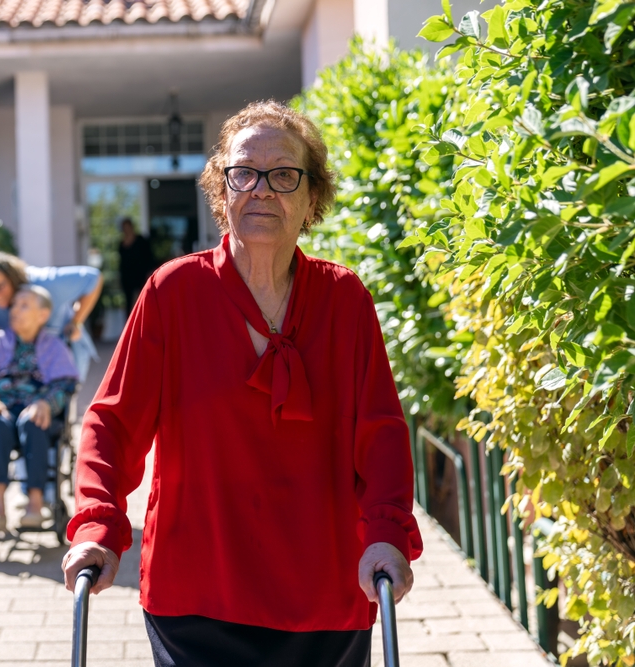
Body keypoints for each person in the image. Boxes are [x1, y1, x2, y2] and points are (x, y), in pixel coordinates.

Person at [60, 101, 422, 667]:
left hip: (324, 594)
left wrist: (387, 533)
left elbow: (381, 435)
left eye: (284, 175)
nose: (261, 189)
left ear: (311, 197)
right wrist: (97, 522)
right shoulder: (172, 292)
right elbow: (112, 421)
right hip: (197, 592)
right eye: (243, 173)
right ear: (221, 190)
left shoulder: (344, 299)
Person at [0, 285, 79, 531]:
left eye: (24, 305)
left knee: (33, 421)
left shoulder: (54, 345)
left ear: (43, 315)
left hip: (37, 411)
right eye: (14, 305)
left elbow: (66, 384)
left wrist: (46, 403)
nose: (15, 310)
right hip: (2, 408)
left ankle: (35, 505)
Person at [0, 250, 102, 382]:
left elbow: (93, 277)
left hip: (59, 359)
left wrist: (76, 321)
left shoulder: (45, 283)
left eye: (0, 287)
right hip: (18, 369)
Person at [117, 217, 155, 316]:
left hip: (140, 276)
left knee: (143, 300)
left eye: (128, 227)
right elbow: (122, 263)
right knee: (128, 304)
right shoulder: (121, 244)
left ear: (132, 227)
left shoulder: (141, 241)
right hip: (127, 278)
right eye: (124, 228)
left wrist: (149, 274)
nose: (126, 230)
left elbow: (149, 258)